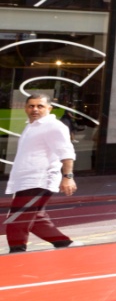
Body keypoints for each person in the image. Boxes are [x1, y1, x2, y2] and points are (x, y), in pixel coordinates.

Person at [5, 93, 78, 252]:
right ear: (25, 108)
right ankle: (66, 245)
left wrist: (68, 177)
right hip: (26, 181)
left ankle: (16, 254)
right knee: (37, 219)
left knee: (16, 220)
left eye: (40, 106)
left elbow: (66, 152)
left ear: (49, 108)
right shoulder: (31, 126)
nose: (35, 109)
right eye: (31, 106)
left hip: (38, 180)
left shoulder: (53, 126)